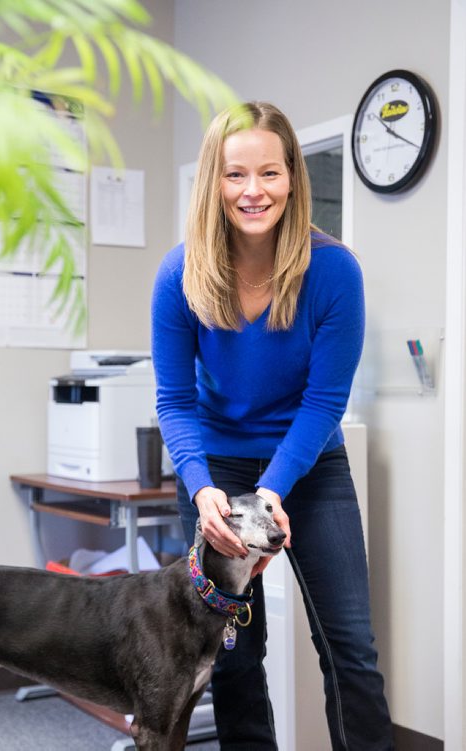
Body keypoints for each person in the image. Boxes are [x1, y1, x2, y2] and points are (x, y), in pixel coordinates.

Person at [151, 101, 393, 750]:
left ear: (292, 178)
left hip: (310, 466)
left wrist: (273, 489)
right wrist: (203, 489)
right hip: (216, 472)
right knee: (232, 654)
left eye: (269, 172)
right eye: (235, 175)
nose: (253, 191)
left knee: (349, 646)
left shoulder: (334, 270)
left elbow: (323, 402)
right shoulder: (179, 274)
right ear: (213, 181)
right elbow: (174, 399)